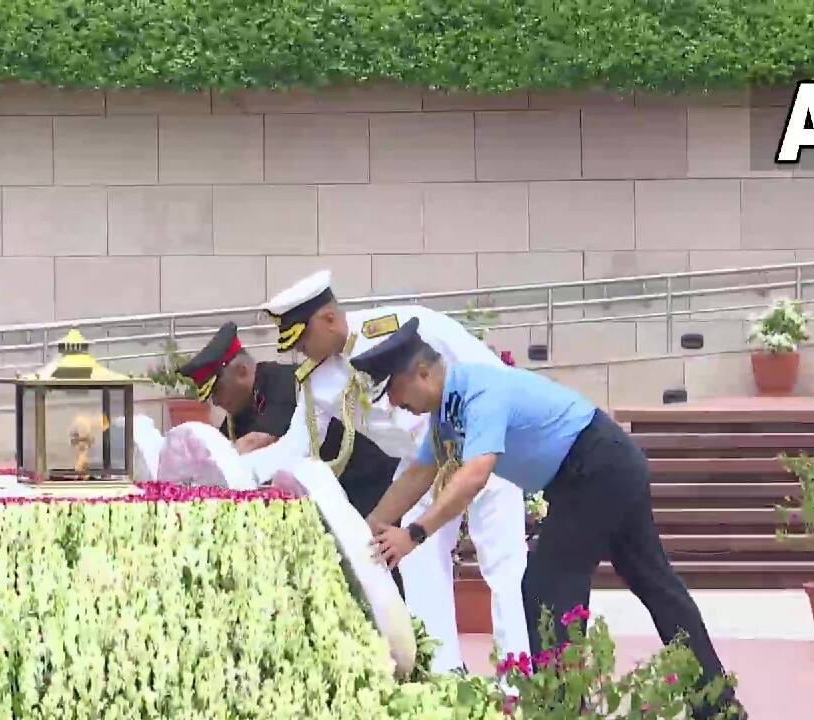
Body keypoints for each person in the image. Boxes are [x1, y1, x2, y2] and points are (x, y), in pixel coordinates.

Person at [354, 318, 744, 720]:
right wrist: (359, 531)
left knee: (547, 587)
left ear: (423, 373)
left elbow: (474, 474)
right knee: (654, 585)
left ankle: (559, 709)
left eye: (396, 392)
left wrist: (413, 534)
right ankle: (717, 705)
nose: (395, 405)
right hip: (596, 470)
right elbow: (419, 475)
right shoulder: (447, 413)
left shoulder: (479, 392)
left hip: (596, 467)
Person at [248, 270, 530, 674]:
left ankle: (518, 682)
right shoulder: (319, 383)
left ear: (328, 319)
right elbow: (293, 450)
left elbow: (485, 369)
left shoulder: (409, 325)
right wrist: (226, 465)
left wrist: (502, 433)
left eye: (303, 339)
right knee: (416, 563)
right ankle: (445, 674)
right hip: (420, 473)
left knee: (503, 564)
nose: (302, 352)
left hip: (479, 446)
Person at [178, 320, 406, 595]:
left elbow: (259, 441)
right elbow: (221, 450)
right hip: (329, 492)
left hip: (367, 480)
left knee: (374, 564)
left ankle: (400, 630)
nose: (215, 403)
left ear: (241, 370)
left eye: (216, 391)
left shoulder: (285, 382)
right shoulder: (237, 413)